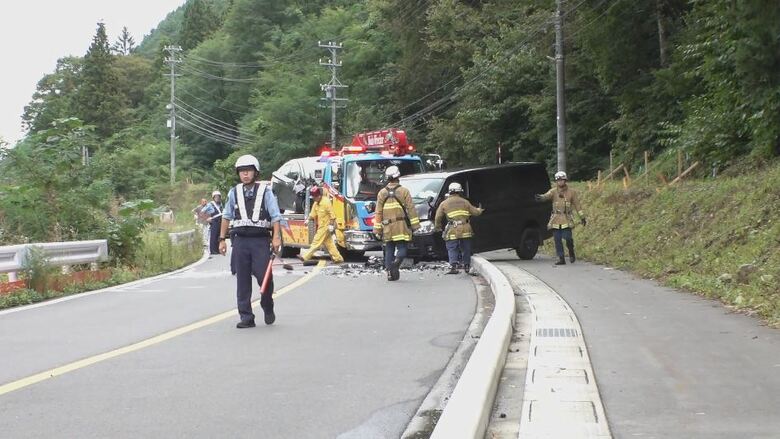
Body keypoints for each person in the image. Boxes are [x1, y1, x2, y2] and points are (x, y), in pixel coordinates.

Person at [218, 154, 282, 328]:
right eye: (242, 171)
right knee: (242, 280)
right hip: (240, 241)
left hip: (260, 240)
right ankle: (246, 316)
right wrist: (222, 239)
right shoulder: (234, 192)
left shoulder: (265, 191)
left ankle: (267, 304)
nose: (245, 174)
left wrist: (276, 237)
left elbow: (276, 216)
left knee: (265, 278)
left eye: (248, 171)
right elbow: (226, 216)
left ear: (255, 173)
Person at [373, 165, 420, 281]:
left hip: (387, 226)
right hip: (401, 226)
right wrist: (415, 226)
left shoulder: (381, 193)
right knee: (402, 247)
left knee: (389, 249)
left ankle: (390, 273)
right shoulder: (404, 191)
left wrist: (377, 230)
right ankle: (397, 263)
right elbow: (411, 209)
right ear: (398, 176)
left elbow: (378, 212)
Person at [535, 171, 587, 265]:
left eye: (561, 180)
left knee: (568, 238)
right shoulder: (553, 191)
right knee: (557, 239)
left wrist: (582, 217)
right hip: (555, 218)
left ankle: (571, 251)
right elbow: (546, 196)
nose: (560, 182)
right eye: (558, 180)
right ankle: (561, 258)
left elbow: (577, 205)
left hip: (567, 218)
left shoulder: (572, 192)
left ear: (565, 180)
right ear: (556, 181)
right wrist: (540, 197)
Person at [434, 182, 484, 275]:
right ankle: (467, 266)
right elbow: (475, 212)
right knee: (466, 248)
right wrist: (479, 210)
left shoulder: (444, 203)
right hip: (466, 228)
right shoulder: (465, 202)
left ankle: (453, 267)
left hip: (452, 229)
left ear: (449, 192)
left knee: (452, 248)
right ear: (460, 191)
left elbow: (438, 217)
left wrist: (438, 227)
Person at [299, 186, 344, 265]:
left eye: (315, 197)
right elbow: (313, 213)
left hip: (325, 227)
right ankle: (338, 258)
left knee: (316, 242)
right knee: (329, 243)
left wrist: (331, 225)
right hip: (321, 226)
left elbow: (332, 215)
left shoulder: (326, 202)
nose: (314, 198)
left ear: (319, 195)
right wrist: (308, 220)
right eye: (313, 197)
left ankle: (305, 257)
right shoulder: (316, 203)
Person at [202, 190, 223, 255]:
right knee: (214, 235)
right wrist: (207, 218)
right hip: (214, 221)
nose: (217, 198)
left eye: (218, 196)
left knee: (219, 235)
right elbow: (202, 211)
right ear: (213, 197)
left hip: (220, 220)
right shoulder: (210, 204)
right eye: (216, 197)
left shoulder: (221, 204)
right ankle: (213, 250)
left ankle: (218, 249)